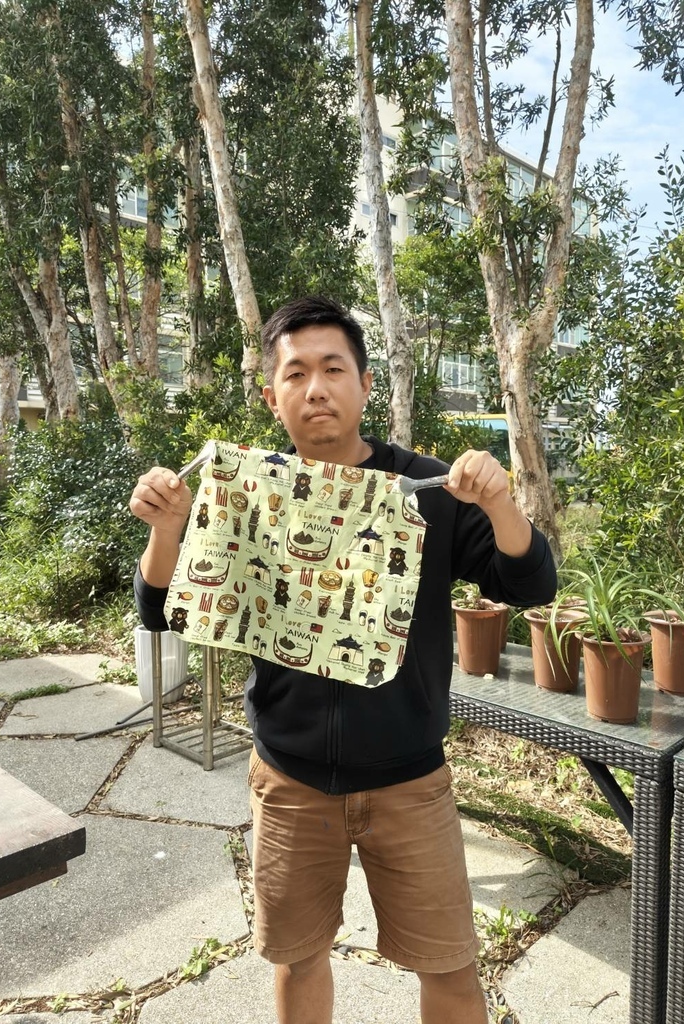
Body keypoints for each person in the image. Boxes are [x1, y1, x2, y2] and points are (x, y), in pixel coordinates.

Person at [129, 295, 557, 1024]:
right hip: (289, 780)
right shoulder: (250, 493)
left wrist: (499, 504)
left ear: (365, 384)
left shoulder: (427, 491)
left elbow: (530, 583)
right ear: (273, 397)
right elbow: (160, 608)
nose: (316, 388)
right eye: (295, 374)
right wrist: (167, 530)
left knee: (451, 967)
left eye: (333, 369)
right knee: (298, 958)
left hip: (410, 781)